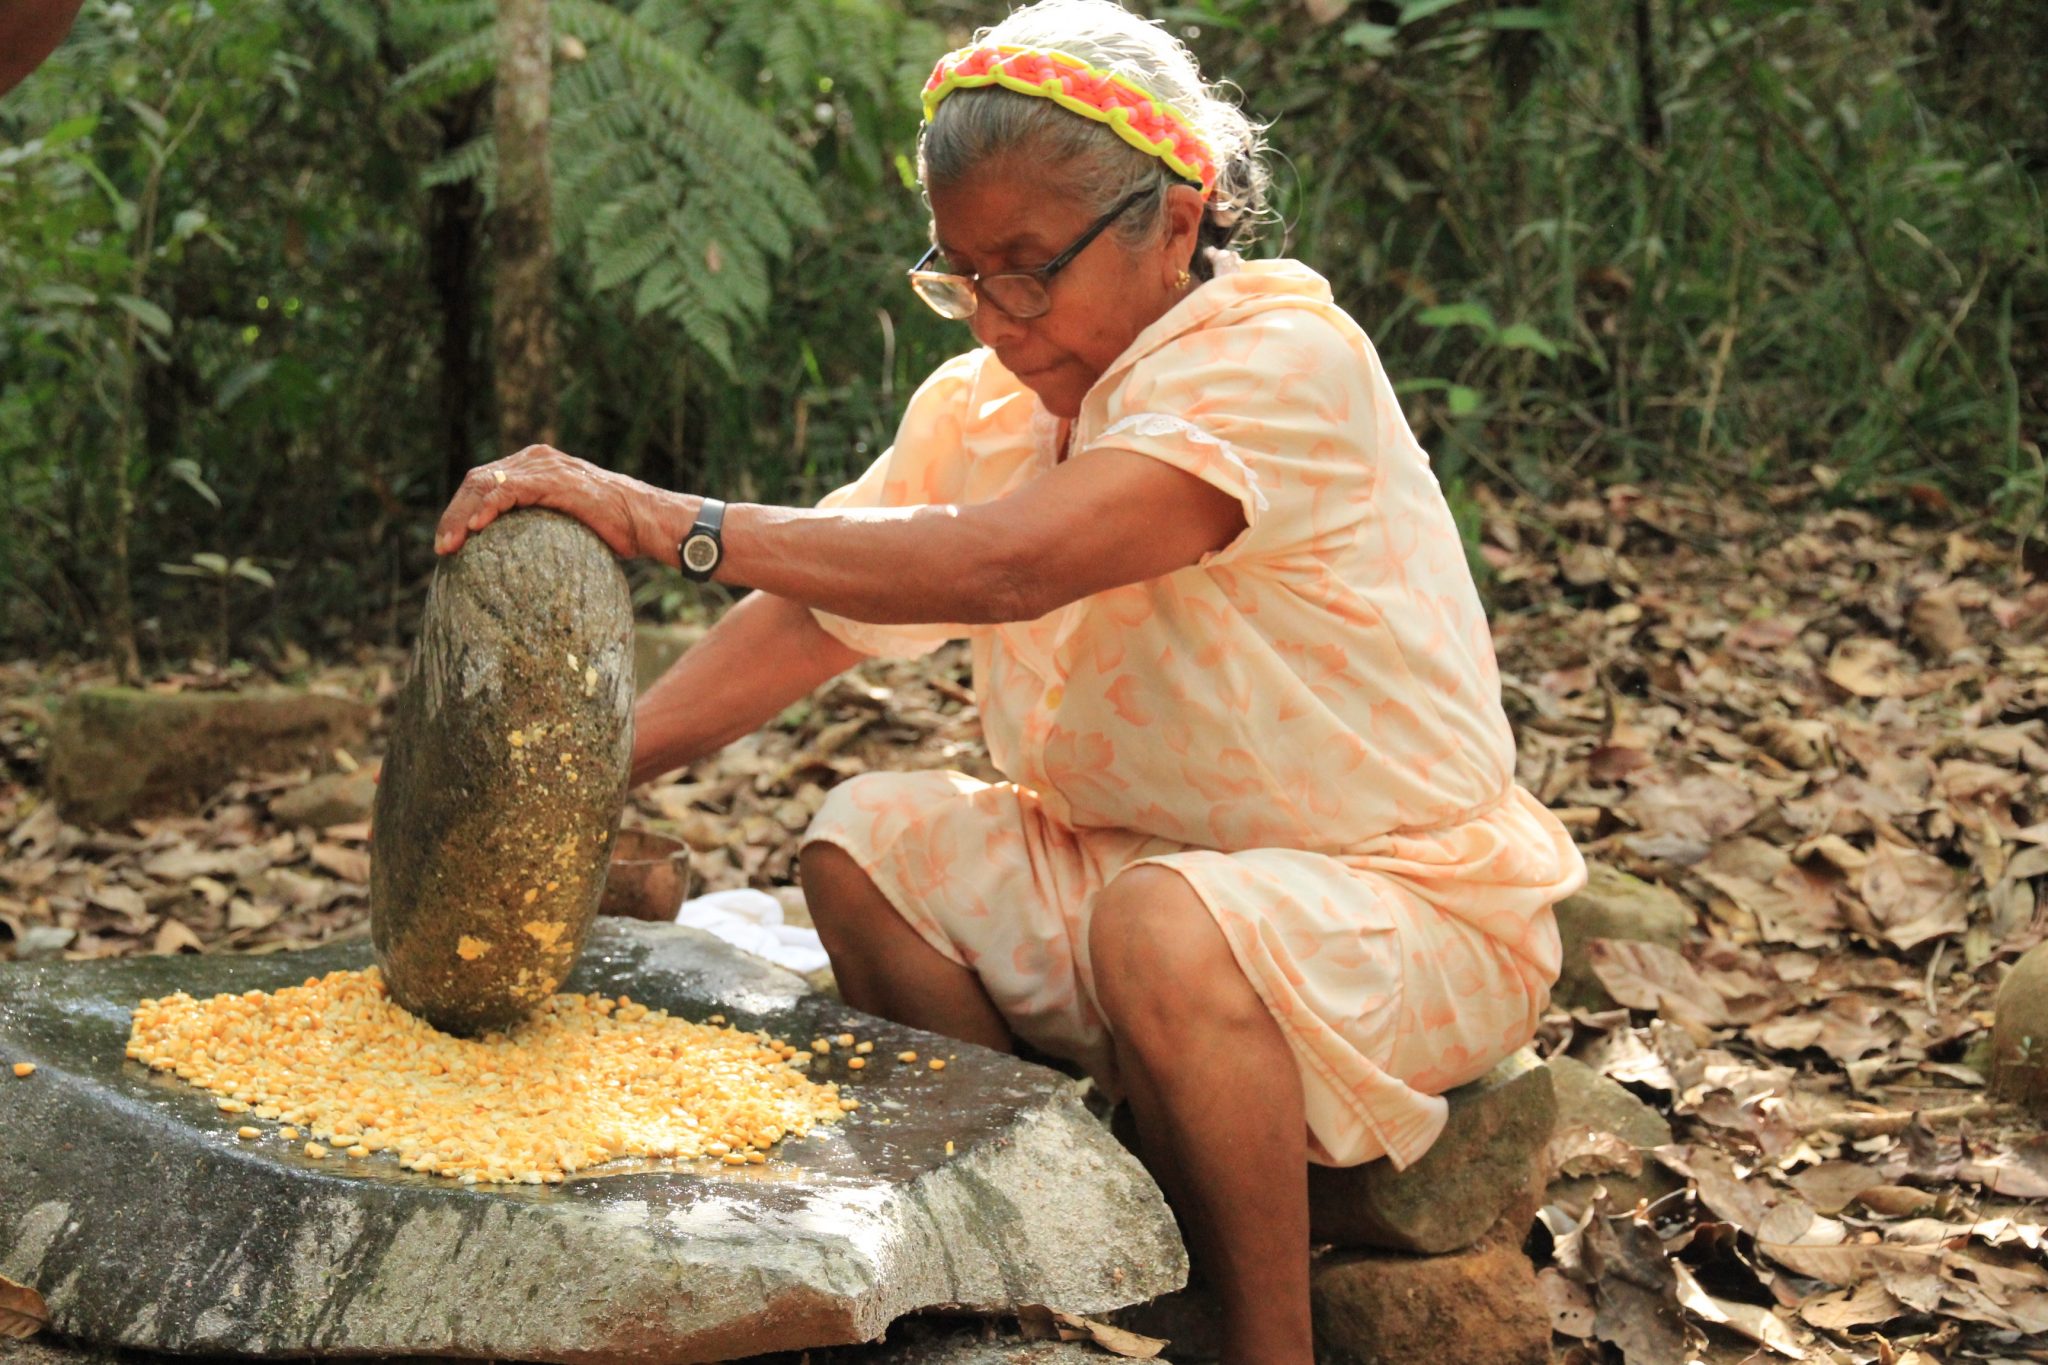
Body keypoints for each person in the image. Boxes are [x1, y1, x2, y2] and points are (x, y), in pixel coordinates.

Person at [434, 2, 1585, 1358]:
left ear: (1179, 214)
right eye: (964, 273)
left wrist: (664, 516)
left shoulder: (1280, 361)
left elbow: (1006, 567)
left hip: (1404, 900)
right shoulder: (982, 406)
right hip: (1132, 875)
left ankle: (1262, 1338)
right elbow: (818, 610)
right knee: (864, 846)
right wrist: (589, 768)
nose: (996, 315)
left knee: (1161, 926)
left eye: (1031, 266)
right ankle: (1054, 1232)